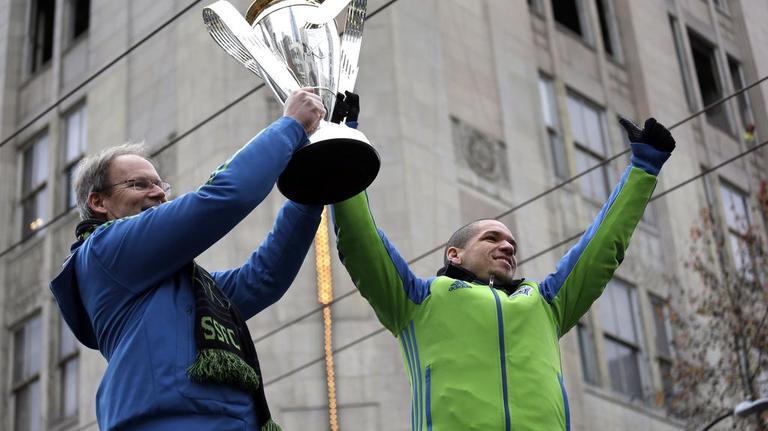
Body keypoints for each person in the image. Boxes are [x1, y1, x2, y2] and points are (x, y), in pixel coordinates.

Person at [331, 117, 676, 430]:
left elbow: (602, 245)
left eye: (511, 242)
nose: (508, 246)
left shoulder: (546, 304)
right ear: (455, 254)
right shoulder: (417, 302)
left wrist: (643, 168)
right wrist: (342, 143)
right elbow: (363, 243)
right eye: (492, 238)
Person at [50, 89, 326, 431]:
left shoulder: (189, 287)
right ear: (98, 202)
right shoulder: (105, 250)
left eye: (160, 185)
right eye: (138, 184)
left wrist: (312, 193)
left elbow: (263, 279)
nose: (159, 193)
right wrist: (289, 126)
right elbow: (224, 198)